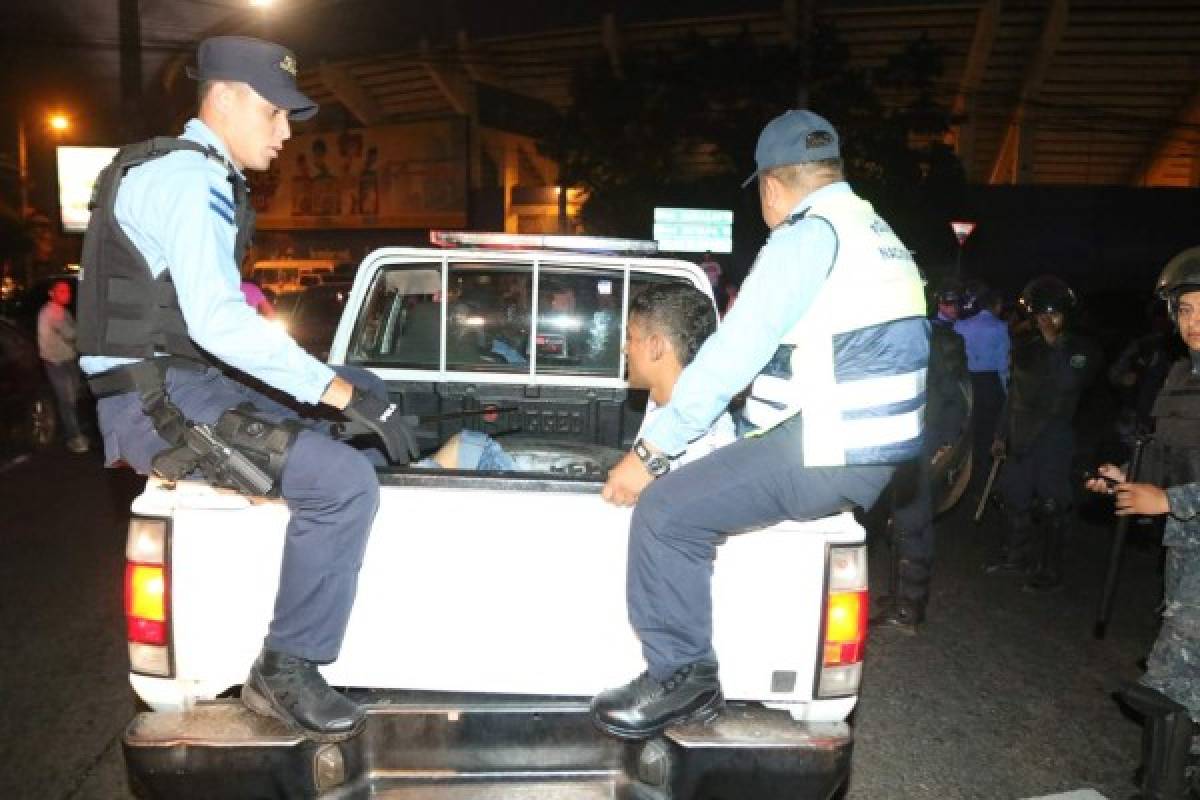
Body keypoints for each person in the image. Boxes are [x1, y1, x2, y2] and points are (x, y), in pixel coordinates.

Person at [76, 36, 419, 742]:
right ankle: (287, 668)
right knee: (345, 476)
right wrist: (338, 397)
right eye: (275, 112)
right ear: (225, 97)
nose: (287, 132)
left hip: (187, 380)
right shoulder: (185, 176)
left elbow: (215, 328)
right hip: (156, 402)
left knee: (360, 390)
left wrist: (346, 391)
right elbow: (220, 323)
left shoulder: (199, 174)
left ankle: (332, 589)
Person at [592, 109, 929, 739]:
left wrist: (652, 453)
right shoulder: (873, 230)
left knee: (665, 513)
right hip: (867, 447)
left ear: (772, 186)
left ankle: (682, 678)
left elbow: (735, 348)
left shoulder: (808, 235)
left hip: (828, 445)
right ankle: (687, 678)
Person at [1085, 246, 1200, 800]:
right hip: (1185, 553)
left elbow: (1178, 488)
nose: (1193, 322)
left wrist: (1172, 502)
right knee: (1179, 681)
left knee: (1176, 682)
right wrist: (1126, 475)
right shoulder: (1182, 374)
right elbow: (1167, 455)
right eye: (1185, 310)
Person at [421, 283, 734, 473]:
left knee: (464, 448)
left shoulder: (700, 437)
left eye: (630, 337)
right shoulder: (664, 401)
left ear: (655, 347)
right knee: (467, 443)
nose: (624, 348)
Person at [986, 275, 1100, 591]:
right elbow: (1013, 395)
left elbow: (1069, 383)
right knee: (1012, 497)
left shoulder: (1082, 350)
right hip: (1020, 436)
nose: (1046, 321)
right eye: (1040, 315)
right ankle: (1015, 558)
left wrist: (1054, 346)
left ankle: (1049, 571)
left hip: (1054, 436)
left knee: (1052, 505)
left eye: (1053, 314)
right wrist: (1000, 434)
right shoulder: (1026, 348)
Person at [873, 304, 970, 632]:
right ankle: (902, 596)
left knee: (910, 521)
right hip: (915, 434)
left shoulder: (930, 340)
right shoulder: (920, 334)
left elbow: (951, 398)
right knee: (907, 519)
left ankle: (908, 609)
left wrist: (942, 448)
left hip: (924, 437)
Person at [954, 284, 1009, 494]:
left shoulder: (961, 325)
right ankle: (982, 482)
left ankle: (962, 478)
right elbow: (1002, 365)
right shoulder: (999, 327)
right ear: (996, 305)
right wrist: (1005, 393)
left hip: (966, 383)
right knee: (987, 433)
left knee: (966, 432)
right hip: (989, 384)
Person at [37, 278, 89, 453]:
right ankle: (74, 437)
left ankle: (72, 430)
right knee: (67, 399)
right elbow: (70, 334)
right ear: (51, 293)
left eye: (67, 291)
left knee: (72, 397)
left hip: (68, 360)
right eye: (61, 291)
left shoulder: (62, 311)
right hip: (56, 363)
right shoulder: (52, 313)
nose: (66, 294)